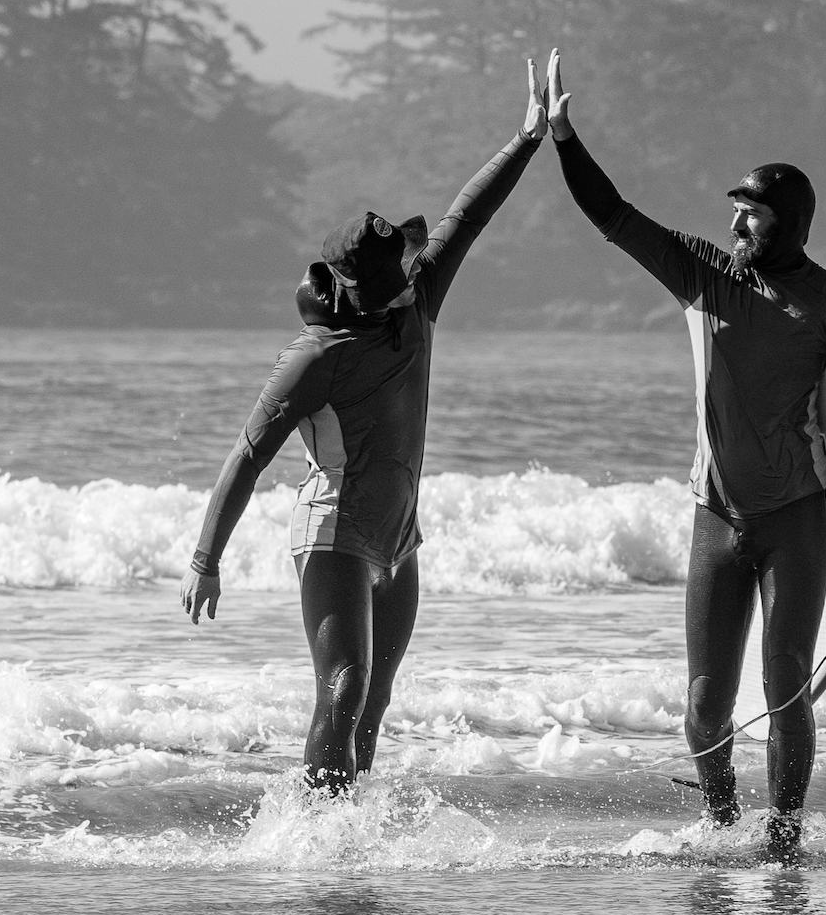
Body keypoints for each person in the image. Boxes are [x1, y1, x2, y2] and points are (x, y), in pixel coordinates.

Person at [179, 60, 549, 791]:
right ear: (353, 292)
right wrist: (205, 557)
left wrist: (528, 138)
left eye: (408, 271)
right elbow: (250, 454)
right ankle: (315, 830)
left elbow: (466, 218)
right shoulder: (317, 356)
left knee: (375, 700)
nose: (412, 281)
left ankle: (350, 845)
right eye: (393, 281)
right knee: (344, 688)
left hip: (398, 535)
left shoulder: (417, 304)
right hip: (335, 530)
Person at [542, 49, 826, 861]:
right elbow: (613, 215)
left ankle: (783, 842)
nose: (733, 226)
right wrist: (562, 139)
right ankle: (722, 829)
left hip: (794, 515)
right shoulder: (705, 276)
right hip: (716, 515)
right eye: (733, 212)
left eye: (750, 215)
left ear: (787, 222)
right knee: (702, 704)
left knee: (786, 684)